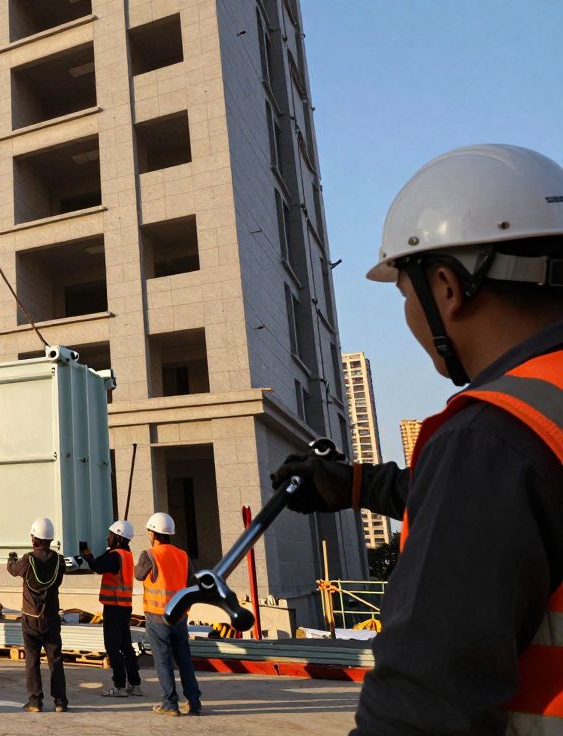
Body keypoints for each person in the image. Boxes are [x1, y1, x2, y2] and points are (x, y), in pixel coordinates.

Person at [271, 144, 563, 735]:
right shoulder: (539, 416)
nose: (409, 315)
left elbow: (420, 709)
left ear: (449, 289)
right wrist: (357, 483)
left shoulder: (493, 438)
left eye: (407, 294)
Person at [136, 512, 201, 717]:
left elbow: (139, 575)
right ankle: (193, 702)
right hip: (179, 616)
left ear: (154, 533)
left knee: (163, 661)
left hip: (157, 617)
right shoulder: (182, 555)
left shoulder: (150, 554)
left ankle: (170, 703)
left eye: (149, 531)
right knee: (184, 660)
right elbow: (192, 582)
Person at [7, 517, 68, 713]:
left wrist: (11, 559)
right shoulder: (59, 561)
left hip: (30, 618)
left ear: (34, 539)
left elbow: (13, 569)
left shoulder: (27, 560)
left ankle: (35, 701)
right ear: (50, 539)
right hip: (51, 617)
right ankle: (60, 701)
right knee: (55, 659)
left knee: (32, 659)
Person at [79, 520, 143, 697]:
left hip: (114, 607)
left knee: (112, 646)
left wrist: (88, 555)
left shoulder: (115, 556)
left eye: (110, 535)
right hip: (124, 607)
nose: (107, 538)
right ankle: (135, 684)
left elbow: (97, 566)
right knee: (126, 646)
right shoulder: (126, 555)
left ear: (118, 538)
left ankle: (119, 686)